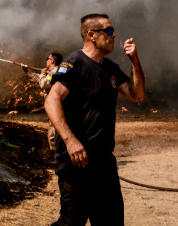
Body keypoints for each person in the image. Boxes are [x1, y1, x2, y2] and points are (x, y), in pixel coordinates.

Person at [44, 13, 145, 226]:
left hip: (104, 162)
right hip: (76, 162)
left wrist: (135, 62)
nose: (114, 35)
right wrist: (71, 141)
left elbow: (137, 94)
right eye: (108, 31)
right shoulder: (74, 65)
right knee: (71, 222)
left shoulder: (110, 69)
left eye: (113, 30)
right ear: (92, 35)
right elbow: (51, 102)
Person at [22, 51, 63, 149]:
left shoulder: (54, 73)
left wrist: (42, 74)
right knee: (53, 126)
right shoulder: (51, 73)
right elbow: (39, 79)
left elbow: (44, 84)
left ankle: (55, 151)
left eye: (47, 59)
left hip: (55, 105)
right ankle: (54, 150)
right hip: (52, 105)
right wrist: (27, 71)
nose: (46, 61)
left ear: (52, 61)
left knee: (54, 127)